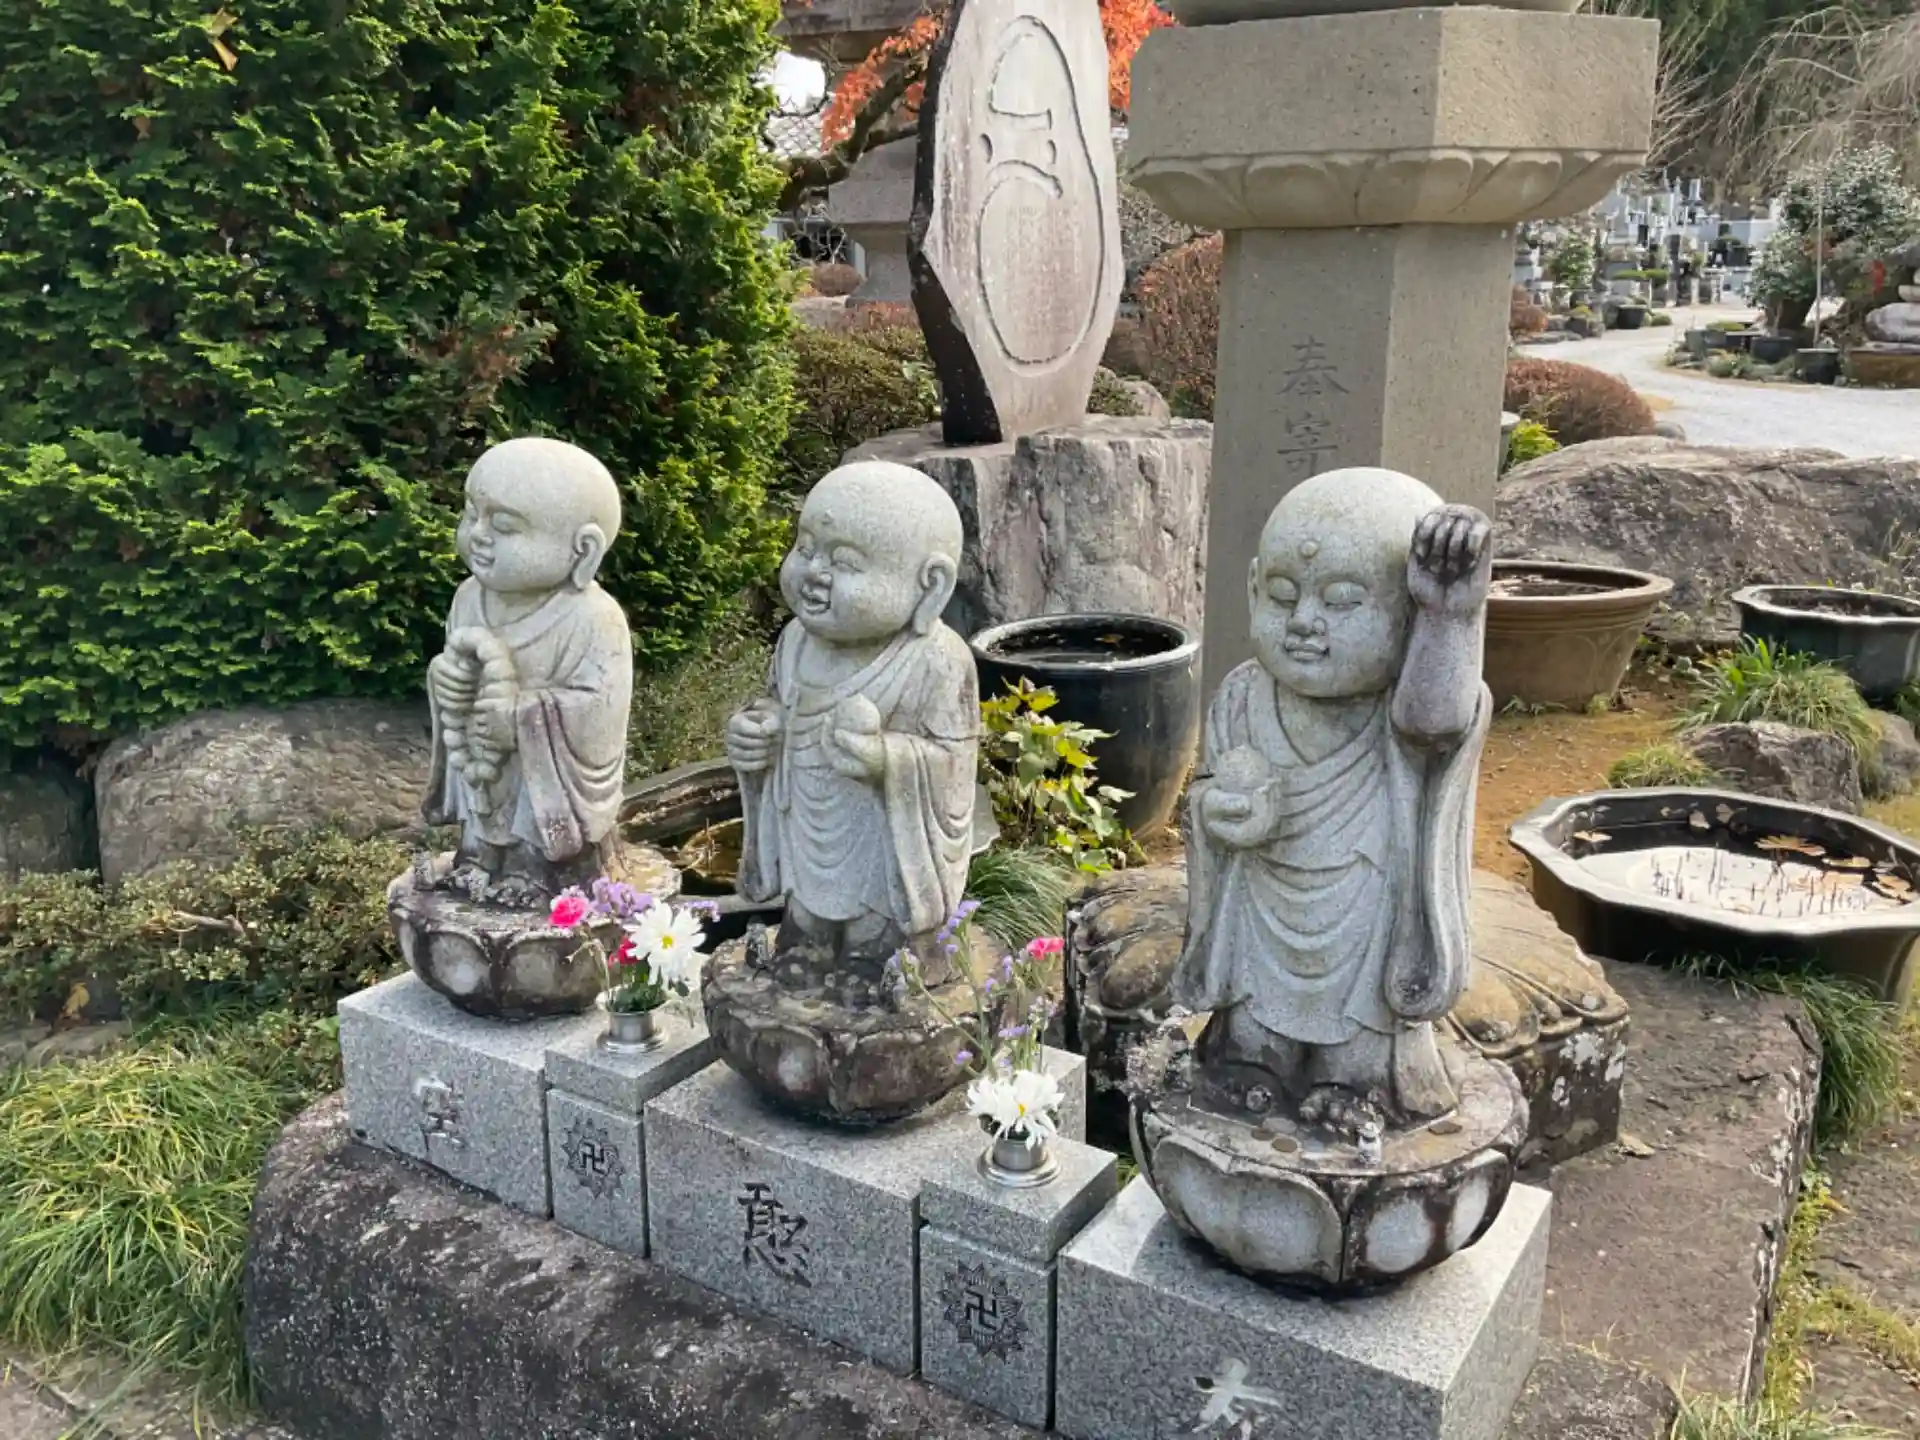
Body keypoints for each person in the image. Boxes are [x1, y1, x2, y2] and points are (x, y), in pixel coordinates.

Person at [1178, 468, 1492, 1137]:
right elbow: (1206, 794)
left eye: (1343, 602)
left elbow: (1436, 724)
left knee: (1361, 1033)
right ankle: (1254, 1062)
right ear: (1252, 587)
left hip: (1364, 914)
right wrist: (1215, 814)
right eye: (1282, 596)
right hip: (1263, 911)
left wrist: (1449, 620)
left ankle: (1355, 1083)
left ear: (1406, 614)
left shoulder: (1399, 709)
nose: (1303, 623)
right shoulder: (1241, 695)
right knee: (1251, 1029)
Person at [424, 437, 632, 904]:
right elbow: (455, 668)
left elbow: (601, 709)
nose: (478, 534)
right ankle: (478, 857)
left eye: (503, 525)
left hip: (542, 782)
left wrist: (522, 719)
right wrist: (446, 682)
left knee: (534, 817)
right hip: (483, 755)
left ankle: (538, 874)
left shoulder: (592, 617)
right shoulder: (468, 598)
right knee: (483, 802)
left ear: (583, 551)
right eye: (471, 514)